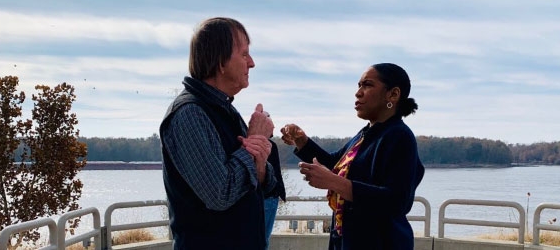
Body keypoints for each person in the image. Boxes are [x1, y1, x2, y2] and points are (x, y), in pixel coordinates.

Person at [159, 17, 277, 250]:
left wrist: (260, 163)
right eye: (244, 54)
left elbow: (264, 183)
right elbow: (220, 194)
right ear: (220, 61)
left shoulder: (225, 110)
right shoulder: (189, 114)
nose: (251, 63)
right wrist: (255, 140)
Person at [280, 63, 425, 250]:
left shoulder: (400, 136)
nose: (358, 92)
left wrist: (334, 182)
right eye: (358, 85)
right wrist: (302, 141)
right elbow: (335, 165)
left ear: (393, 94)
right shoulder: (366, 134)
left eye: (367, 85)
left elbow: (397, 202)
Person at [263, 137, 286, 249]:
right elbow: (277, 172)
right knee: (263, 238)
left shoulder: (246, 143)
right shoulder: (270, 145)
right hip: (269, 197)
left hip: (257, 197)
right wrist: (280, 190)